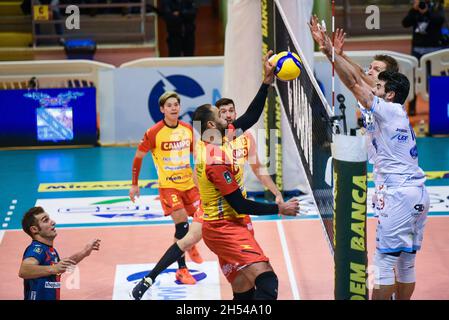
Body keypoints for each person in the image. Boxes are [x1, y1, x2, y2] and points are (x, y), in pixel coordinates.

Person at [130, 96, 285, 300]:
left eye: (231, 111)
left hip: (234, 212)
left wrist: (275, 191)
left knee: (244, 281)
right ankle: (152, 278)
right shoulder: (209, 145)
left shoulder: (238, 137)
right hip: (215, 208)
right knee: (187, 237)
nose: (228, 115)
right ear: (214, 122)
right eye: (222, 112)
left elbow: (252, 119)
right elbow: (204, 170)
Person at [316, 27, 430, 300]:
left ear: (389, 93)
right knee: (406, 263)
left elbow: (356, 83)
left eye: (378, 85)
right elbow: (359, 79)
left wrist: (330, 52)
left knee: (383, 263)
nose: (372, 84)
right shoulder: (394, 110)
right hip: (417, 192)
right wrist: (334, 54)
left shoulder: (387, 109)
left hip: (398, 194)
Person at [129, 91, 203, 285]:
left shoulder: (187, 129)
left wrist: (200, 182)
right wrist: (134, 184)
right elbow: (138, 157)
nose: (174, 108)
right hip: (169, 186)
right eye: (169, 105)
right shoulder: (154, 132)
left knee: (203, 222)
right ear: (162, 109)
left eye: (176, 104)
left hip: (189, 185)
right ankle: (182, 269)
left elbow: (196, 158)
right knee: (182, 226)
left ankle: (191, 242)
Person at [19, 206, 100, 300]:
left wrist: (85, 252)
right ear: (34, 229)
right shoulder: (36, 249)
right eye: (46, 220)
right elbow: (24, 271)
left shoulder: (50, 251)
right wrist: (54, 268)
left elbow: (61, 267)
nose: (53, 222)